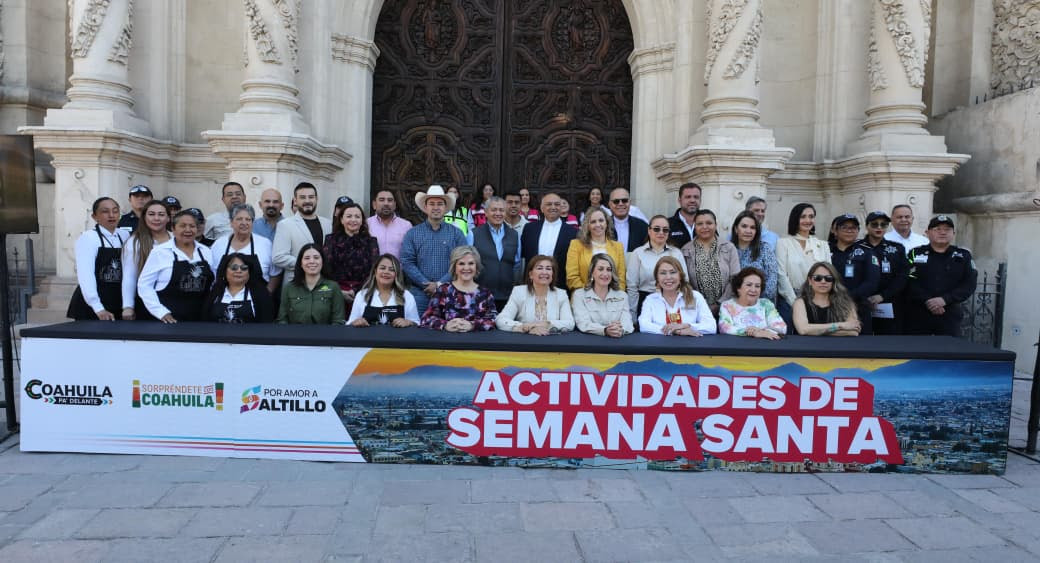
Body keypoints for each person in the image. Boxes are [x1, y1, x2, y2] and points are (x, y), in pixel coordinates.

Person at [138, 210, 215, 323]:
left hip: (200, 318)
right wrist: (160, 311)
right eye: (182, 226)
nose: (188, 230)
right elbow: (144, 285)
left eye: (192, 226)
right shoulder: (160, 252)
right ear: (173, 229)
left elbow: (214, 283)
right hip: (168, 319)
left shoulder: (206, 251)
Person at [906, 215, 978, 336]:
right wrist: (928, 300)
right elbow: (908, 280)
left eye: (947, 229)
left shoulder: (963, 256)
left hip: (949, 313)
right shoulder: (915, 253)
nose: (943, 232)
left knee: (949, 347)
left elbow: (969, 283)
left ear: (953, 233)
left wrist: (945, 299)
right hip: (919, 313)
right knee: (917, 347)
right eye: (937, 229)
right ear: (928, 233)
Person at [401, 185, 469, 313]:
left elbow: (462, 262)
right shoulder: (412, 233)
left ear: (445, 207)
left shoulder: (457, 234)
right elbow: (407, 262)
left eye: (440, 204)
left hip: (450, 292)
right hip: (419, 293)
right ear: (425, 207)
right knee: (416, 324)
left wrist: (439, 284)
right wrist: (425, 283)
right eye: (432, 204)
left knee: (449, 324)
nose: (436, 207)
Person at [67, 197, 128, 320]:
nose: (111, 215)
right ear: (94, 216)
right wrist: (97, 307)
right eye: (105, 211)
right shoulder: (88, 238)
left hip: (117, 300)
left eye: (115, 211)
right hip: (93, 305)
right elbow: (86, 275)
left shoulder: (124, 235)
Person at [775, 203, 831, 330]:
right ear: (795, 219)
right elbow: (781, 274)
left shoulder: (823, 245)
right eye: (803, 216)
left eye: (811, 216)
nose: (808, 220)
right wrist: (796, 302)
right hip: (790, 298)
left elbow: (829, 274)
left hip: (819, 299)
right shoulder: (783, 243)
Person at [420, 245, 497, 332]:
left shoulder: (485, 293)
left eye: (471, 263)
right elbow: (426, 319)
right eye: (461, 263)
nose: (466, 268)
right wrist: (445, 325)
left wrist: (472, 325)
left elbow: (493, 320)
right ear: (454, 267)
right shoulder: (443, 290)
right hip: (447, 339)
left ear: (476, 266)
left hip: (477, 340)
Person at [210, 204, 281, 296]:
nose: (244, 223)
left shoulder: (265, 244)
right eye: (239, 219)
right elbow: (212, 274)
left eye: (248, 219)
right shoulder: (219, 244)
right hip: (224, 299)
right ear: (231, 222)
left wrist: (267, 293)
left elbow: (275, 273)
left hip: (257, 300)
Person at [626, 214, 688, 318]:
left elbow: (684, 282)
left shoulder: (676, 253)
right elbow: (632, 287)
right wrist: (633, 316)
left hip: (671, 302)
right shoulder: (638, 253)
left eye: (665, 230)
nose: (661, 232)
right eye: (656, 229)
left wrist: (680, 308)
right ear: (649, 231)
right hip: (645, 302)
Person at [681, 209, 740, 314]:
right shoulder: (686, 250)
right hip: (697, 308)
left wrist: (720, 304)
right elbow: (685, 282)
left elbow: (735, 278)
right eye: (700, 224)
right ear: (695, 226)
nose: (704, 227)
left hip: (727, 307)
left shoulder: (729, 247)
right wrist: (700, 304)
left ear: (715, 225)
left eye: (709, 223)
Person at [496, 255, 574, 334]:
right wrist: (526, 327)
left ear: (553, 274)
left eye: (548, 269)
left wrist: (546, 324)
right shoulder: (519, 292)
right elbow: (501, 320)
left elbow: (570, 323)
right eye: (539, 268)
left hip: (552, 339)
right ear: (531, 274)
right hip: (525, 339)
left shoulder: (561, 294)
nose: (544, 272)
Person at [829, 213, 880, 334]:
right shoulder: (825, 250)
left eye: (853, 227)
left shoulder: (867, 251)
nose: (849, 230)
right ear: (835, 231)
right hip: (829, 306)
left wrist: (847, 298)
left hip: (859, 306)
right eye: (844, 227)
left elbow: (872, 282)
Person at [639, 256, 716, 336]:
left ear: (680, 276)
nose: (668, 277)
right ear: (657, 278)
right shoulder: (651, 300)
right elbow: (644, 325)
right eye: (663, 273)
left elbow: (711, 326)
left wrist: (687, 326)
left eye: (673, 272)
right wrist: (676, 331)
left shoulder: (695, 296)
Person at [120, 200, 171, 320]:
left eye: (161, 214)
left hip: (173, 300)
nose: (156, 218)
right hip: (146, 301)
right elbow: (129, 276)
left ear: (168, 218)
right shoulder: (134, 242)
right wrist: (128, 306)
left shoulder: (176, 239)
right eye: (151, 214)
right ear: (144, 217)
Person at [323, 197, 380, 305]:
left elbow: (374, 271)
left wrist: (355, 291)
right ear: (341, 220)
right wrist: (339, 291)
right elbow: (325, 270)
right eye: (349, 216)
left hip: (364, 293)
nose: (353, 220)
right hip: (336, 292)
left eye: (357, 216)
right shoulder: (330, 240)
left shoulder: (371, 242)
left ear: (362, 220)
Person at [272, 182, 332, 283]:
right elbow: (278, 257)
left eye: (311, 197)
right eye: (303, 197)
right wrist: (307, 263)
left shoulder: (328, 224)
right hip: (296, 282)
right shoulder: (285, 225)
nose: (307, 201)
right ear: (295, 200)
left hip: (323, 282)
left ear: (316, 199)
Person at [861, 210, 908, 334]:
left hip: (889, 303)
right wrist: (863, 298)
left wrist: (882, 296)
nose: (879, 227)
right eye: (874, 224)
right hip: (861, 304)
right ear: (867, 226)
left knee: (888, 341)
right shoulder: (856, 247)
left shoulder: (897, 248)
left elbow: (903, 276)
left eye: (883, 224)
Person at [472, 196, 521, 310]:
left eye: (501, 210)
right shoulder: (473, 234)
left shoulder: (514, 235)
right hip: (480, 294)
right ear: (486, 212)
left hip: (507, 295)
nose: (498, 213)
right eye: (494, 210)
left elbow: (517, 264)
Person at [520, 192, 578, 289]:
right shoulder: (529, 228)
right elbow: (524, 254)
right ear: (542, 208)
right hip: (532, 284)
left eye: (557, 204)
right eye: (549, 204)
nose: (553, 207)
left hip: (560, 284)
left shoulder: (572, 232)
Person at [277, 244, 345, 324]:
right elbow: (282, 320)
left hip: (325, 332)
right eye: (307, 258)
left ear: (322, 262)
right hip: (295, 332)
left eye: (316, 258)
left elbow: (338, 321)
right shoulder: (289, 288)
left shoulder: (333, 287)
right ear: (301, 263)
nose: (312, 261)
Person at [347, 254, 420, 327]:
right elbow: (350, 324)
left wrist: (408, 322)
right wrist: (356, 322)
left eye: (391, 270)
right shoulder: (362, 295)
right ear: (375, 271)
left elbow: (416, 323)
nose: (386, 272)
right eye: (382, 268)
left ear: (396, 274)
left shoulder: (406, 295)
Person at [201, 252, 275, 323]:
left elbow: (266, 323)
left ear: (249, 272)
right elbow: (205, 321)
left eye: (244, 268)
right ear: (225, 271)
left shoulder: (261, 294)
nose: (239, 271)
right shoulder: (215, 292)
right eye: (234, 267)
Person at [572, 254, 634, 337]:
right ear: (592, 273)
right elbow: (583, 323)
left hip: (617, 341)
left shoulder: (622, 296)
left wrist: (620, 329)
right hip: (590, 341)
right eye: (600, 269)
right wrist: (605, 330)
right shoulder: (579, 295)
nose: (605, 273)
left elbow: (628, 323)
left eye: (609, 270)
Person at [566, 207, 627, 292]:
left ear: (607, 223)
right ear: (588, 226)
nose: (598, 224)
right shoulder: (576, 245)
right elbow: (572, 278)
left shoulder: (618, 247)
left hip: (613, 297)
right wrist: (592, 294)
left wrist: (612, 296)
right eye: (593, 222)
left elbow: (621, 279)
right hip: (583, 296)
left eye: (601, 220)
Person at [792, 262, 861, 336]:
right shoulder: (800, 303)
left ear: (833, 281)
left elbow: (854, 331)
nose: (823, 281)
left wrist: (815, 331)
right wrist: (841, 325)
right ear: (810, 281)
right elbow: (803, 329)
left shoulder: (846, 303)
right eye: (818, 278)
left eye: (828, 278)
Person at [718, 267, 786, 339]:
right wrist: (752, 333)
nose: (753, 290)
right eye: (749, 285)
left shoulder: (766, 304)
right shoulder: (727, 305)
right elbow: (724, 328)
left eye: (757, 286)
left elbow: (782, 328)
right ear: (738, 288)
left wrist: (760, 331)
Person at [730, 210, 779, 303]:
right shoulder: (728, 249)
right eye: (744, 226)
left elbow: (772, 280)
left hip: (761, 303)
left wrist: (754, 300)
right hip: (734, 303)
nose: (748, 231)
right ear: (736, 229)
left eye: (752, 227)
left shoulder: (764, 249)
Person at [366, 189, 412, 258]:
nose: (386, 203)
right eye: (382, 200)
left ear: (395, 205)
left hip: (398, 265)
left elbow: (410, 253)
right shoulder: (367, 224)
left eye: (390, 200)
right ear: (374, 204)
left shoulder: (406, 226)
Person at [608, 187, 648, 252]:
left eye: (624, 200)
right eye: (616, 201)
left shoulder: (642, 226)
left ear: (630, 202)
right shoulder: (603, 225)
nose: (620, 204)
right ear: (610, 204)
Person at [667, 182, 701, 248]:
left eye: (696, 197)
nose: (692, 200)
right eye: (688, 197)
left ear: (700, 200)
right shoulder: (668, 225)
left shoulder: (707, 224)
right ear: (679, 200)